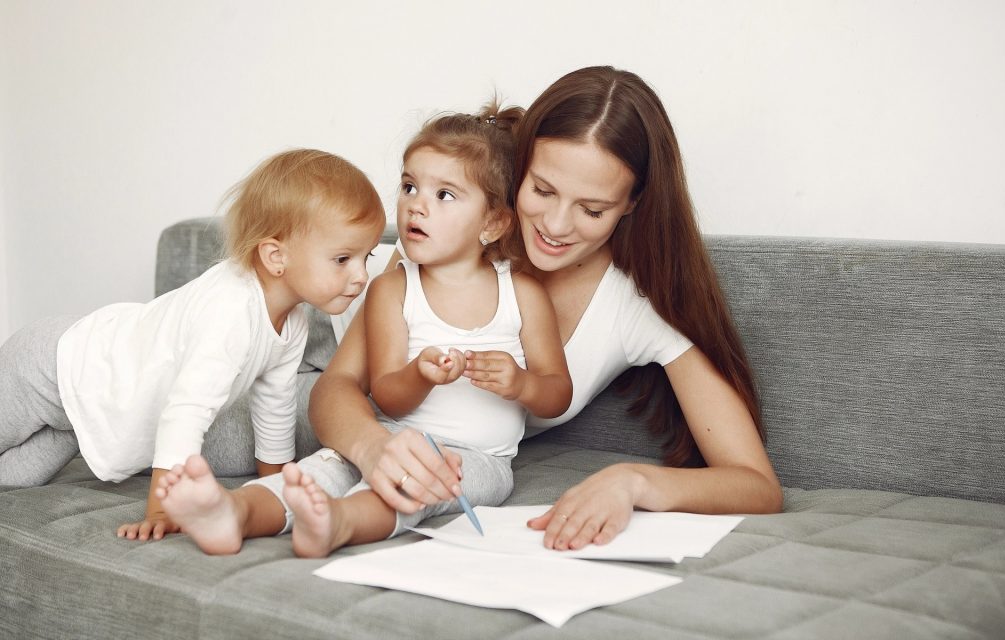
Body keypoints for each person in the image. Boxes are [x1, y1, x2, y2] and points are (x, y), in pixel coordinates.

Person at [308, 65, 784, 553]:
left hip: (436, 450)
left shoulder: (635, 306)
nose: (555, 225)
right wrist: (372, 448)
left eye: (592, 210)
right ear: (521, 168)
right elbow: (336, 386)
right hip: (321, 365)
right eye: (541, 190)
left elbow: (756, 485)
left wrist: (633, 482)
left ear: (633, 204)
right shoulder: (451, 229)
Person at [157, 102, 571, 557]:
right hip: (387, 433)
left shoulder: (523, 295)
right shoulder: (393, 289)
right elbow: (387, 395)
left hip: (480, 459)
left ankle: (339, 523)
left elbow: (556, 395)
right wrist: (420, 375)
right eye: (410, 186)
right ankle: (233, 512)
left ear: (492, 222)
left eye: (444, 195)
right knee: (319, 471)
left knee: (417, 488)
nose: (416, 205)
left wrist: (520, 382)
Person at [0, 149, 385, 543]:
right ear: (275, 257)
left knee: (13, 483)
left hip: (82, 417)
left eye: (365, 256)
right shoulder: (231, 311)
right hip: (51, 366)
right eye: (343, 259)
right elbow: (186, 412)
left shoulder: (293, 323)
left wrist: (279, 489)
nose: (361, 276)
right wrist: (163, 509)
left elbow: (275, 408)